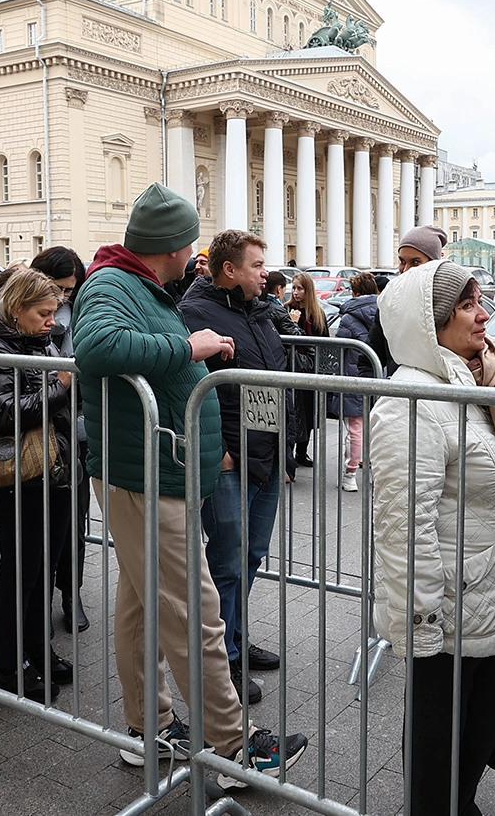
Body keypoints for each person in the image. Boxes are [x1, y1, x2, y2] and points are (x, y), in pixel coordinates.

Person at [73, 182, 306, 784]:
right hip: (145, 475)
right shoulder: (112, 282)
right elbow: (94, 347)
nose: (193, 253)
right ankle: (232, 748)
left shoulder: (138, 283)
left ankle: (147, 730)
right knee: (195, 612)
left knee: (140, 607)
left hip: (151, 473)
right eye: (189, 242)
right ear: (170, 245)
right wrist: (189, 345)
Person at [368, 260, 495, 816]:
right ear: (431, 321)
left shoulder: (478, 382)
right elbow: (403, 526)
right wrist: (419, 624)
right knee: (436, 755)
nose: (483, 315)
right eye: (468, 305)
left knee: (474, 742)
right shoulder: (412, 403)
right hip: (446, 612)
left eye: (480, 301)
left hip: (486, 598)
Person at [179, 229, 290, 704]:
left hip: (265, 458)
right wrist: (220, 449)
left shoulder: (260, 312)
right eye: (257, 265)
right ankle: (221, 663)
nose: (266, 273)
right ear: (230, 270)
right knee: (226, 563)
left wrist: (283, 450)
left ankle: (236, 641)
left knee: (250, 556)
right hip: (228, 460)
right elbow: (187, 387)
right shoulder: (195, 313)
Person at [0, 267, 77, 701]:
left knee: (43, 570)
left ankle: (37, 650)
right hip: (20, 477)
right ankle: (12, 666)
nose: (52, 321)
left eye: (54, 312)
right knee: (21, 573)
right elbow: (3, 415)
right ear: (17, 308)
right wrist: (63, 384)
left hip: (54, 470)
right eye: (44, 312)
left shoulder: (38, 341)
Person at [28, 244, 92, 630]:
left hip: (74, 431)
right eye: (57, 287)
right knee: (35, 528)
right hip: (35, 430)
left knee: (74, 522)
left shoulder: (81, 312)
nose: (62, 296)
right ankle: (36, 598)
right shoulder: (24, 314)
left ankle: (72, 594)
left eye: (70, 289)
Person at [362, 224, 447, 377]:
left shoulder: (452, 302)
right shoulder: (389, 302)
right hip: (400, 395)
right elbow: (369, 357)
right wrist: (373, 395)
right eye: (402, 261)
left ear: (433, 263)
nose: (405, 269)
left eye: (415, 262)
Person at [332, 272, 380, 492]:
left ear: (356, 292)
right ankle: (374, 468)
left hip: (352, 375)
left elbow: (338, 348)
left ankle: (350, 472)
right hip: (378, 375)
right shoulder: (383, 311)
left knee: (355, 428)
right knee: (375, 426)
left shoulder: (349, 316)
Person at [285, 273, 329, 474]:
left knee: (309, 413)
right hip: (292, 368)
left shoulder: (317, 314)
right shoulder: (286, 310)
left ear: (308, 290)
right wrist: (293, 323)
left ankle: (302, 452)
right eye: (293, 288)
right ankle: (290, 452)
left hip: (311, 369)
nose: (295, 292)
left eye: (299, 288)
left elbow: (325, 343)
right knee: (293, 412)